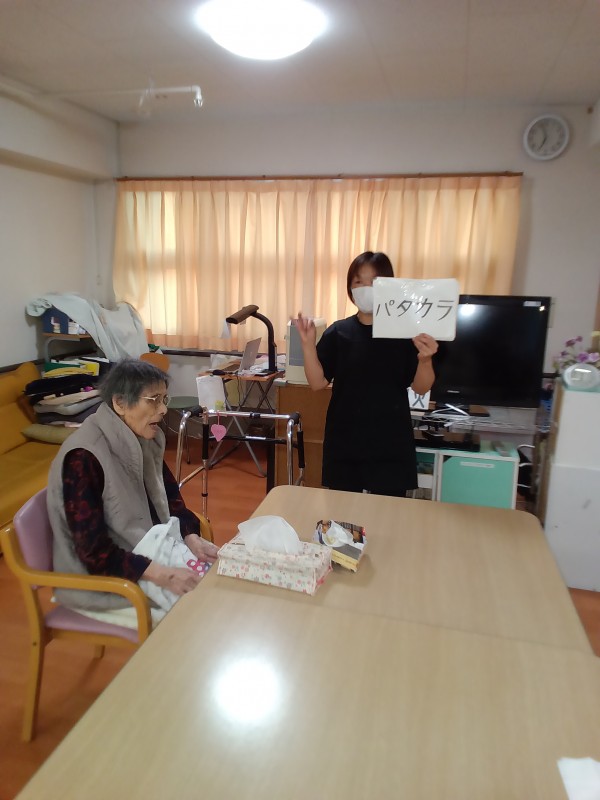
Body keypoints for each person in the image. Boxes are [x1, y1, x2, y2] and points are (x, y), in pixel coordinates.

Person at [47, 358, 218, 627]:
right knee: (194, 621)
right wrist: (164, 575)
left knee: (214, 594)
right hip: (103, 581)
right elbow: (93, 553)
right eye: (153, 400)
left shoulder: (142, 436)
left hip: (146, 555)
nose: (163, 409)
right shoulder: (83, 457)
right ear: (120, 403)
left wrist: (191, 537)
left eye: (164, 398)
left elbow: (170, 498)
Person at [295, 251, 438, 497]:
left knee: (387, 512)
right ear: (350, 289)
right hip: (345, 439)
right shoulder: (339, 332)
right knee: (343, 512)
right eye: (358, 281)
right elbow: (317, 382)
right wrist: (308, 346)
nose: (365, 288)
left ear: (389, 286)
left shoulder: (404, 333)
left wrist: (425, 360)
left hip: (390, 441)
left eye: (374, 281)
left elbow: (421, 387)